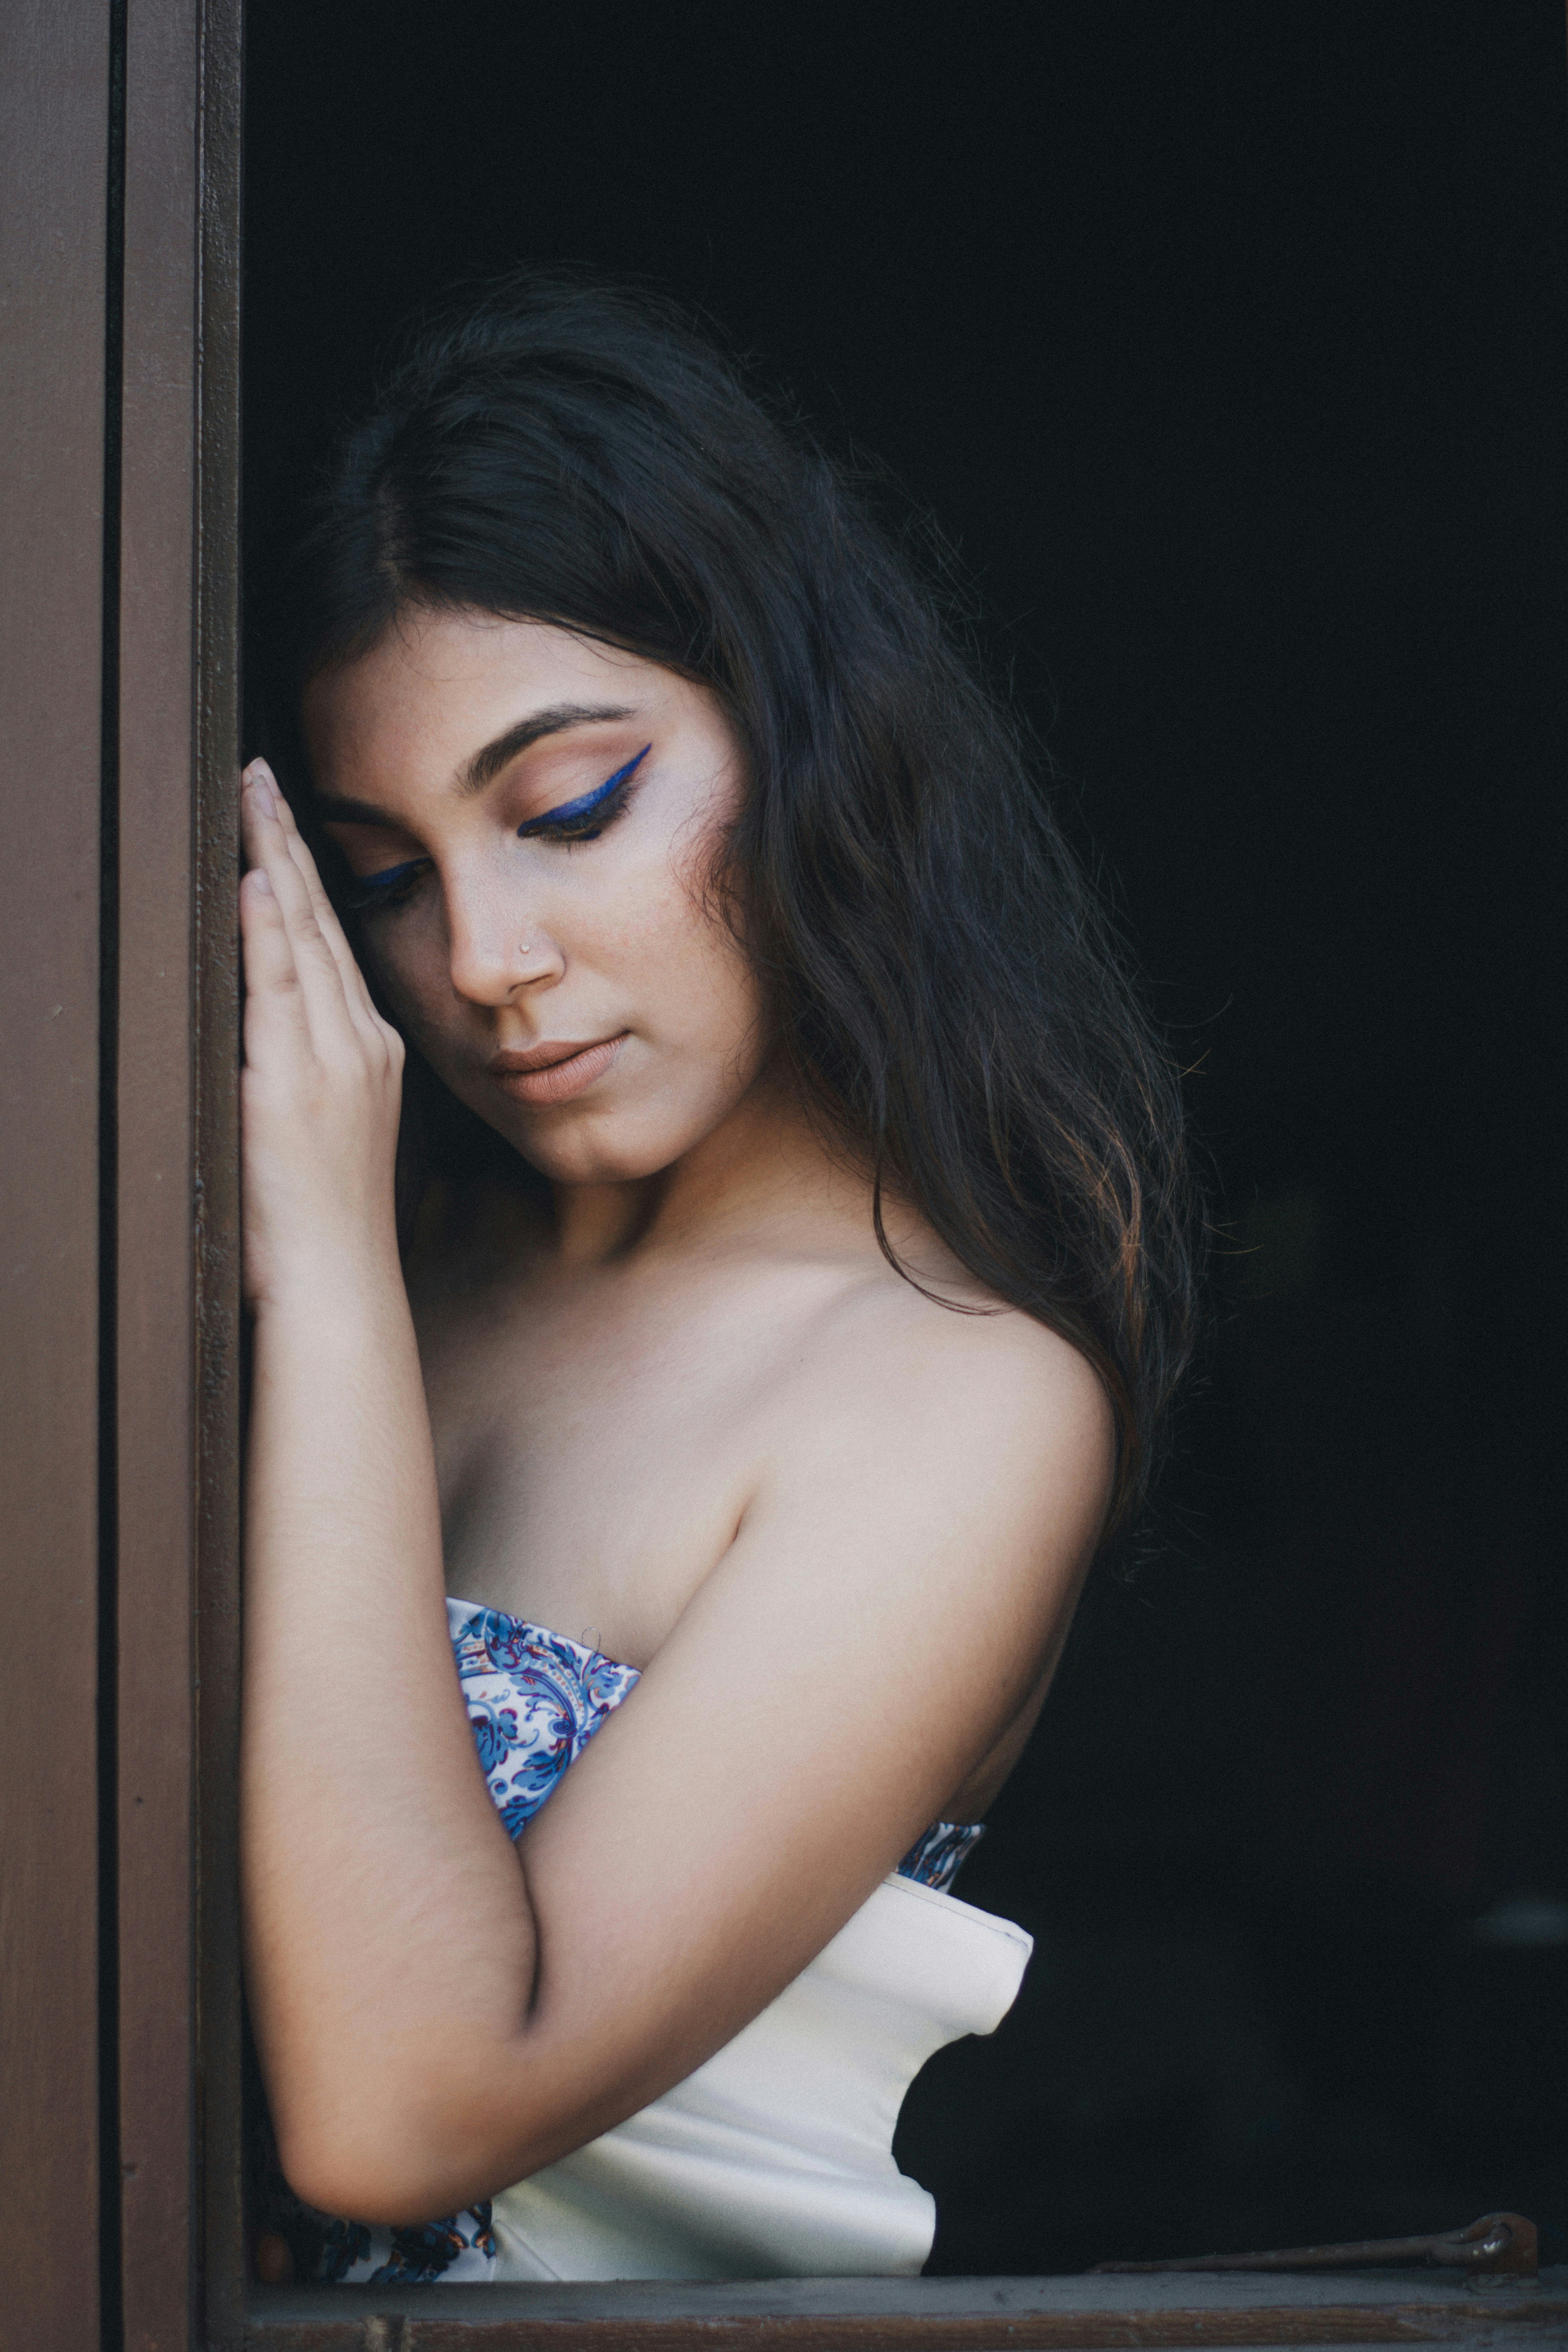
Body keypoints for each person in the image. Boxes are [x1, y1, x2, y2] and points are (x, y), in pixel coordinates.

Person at [239, 275, 1198, 2286]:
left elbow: (398, 2103)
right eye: (386, 873)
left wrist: (323, 1283)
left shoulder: (949, 1397)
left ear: (805, 742)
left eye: (571, 807)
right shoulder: (416, 1233)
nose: (480, 958)